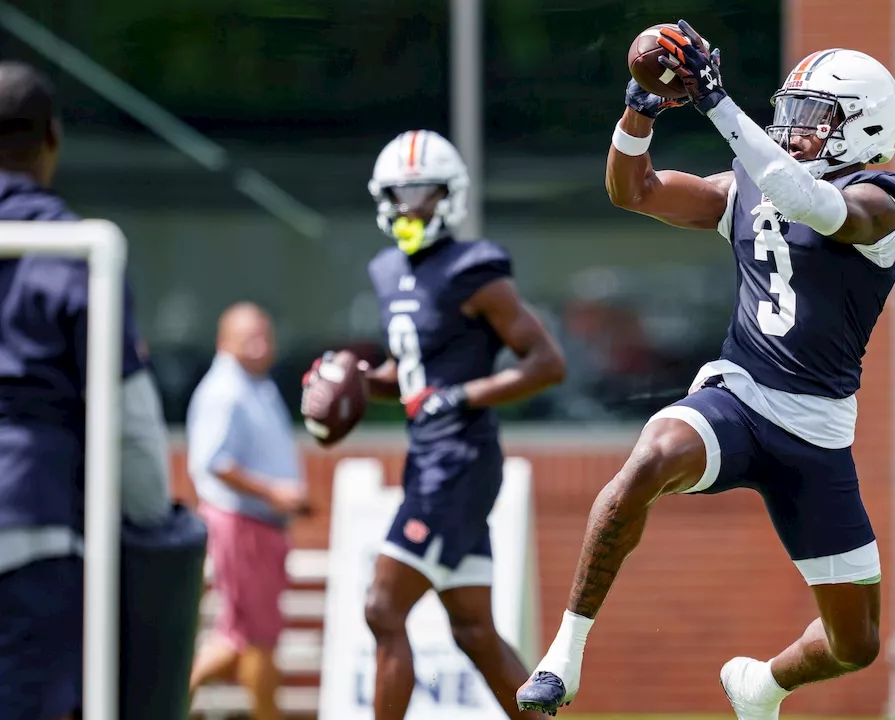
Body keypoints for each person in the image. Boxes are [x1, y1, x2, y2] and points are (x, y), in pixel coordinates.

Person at [517, 23, 895, 720]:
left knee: (856, 644)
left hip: (818, 435)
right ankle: (563, 653)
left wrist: (717, 104)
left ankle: (763, 686)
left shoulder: (884, 202)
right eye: (789, 115)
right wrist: (640, 106)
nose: (794, 131)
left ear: (863, 126)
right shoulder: (750, 186)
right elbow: (632, 189)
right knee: (650, 460)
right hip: (739, 396)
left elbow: (812, 205)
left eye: (814, 119)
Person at [303, 129, 566, 720]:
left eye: (422, 192)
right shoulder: (387, 270)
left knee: (381, 607)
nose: (408, 206)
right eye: (398, 194)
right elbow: (413, 370)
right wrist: (356, 380)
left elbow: (547, 362)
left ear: (449, 195)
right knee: (473, 631)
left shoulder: (474, 270)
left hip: (461, 463)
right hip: (431, 461)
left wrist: (463, 395)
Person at [0, 60, 172, 720]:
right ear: (52, 140)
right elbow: (128, 422)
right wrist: (154, 516)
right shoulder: (77, 255)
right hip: (31, 523)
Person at [187, 302, 309, 720]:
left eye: (265, 335)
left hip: (260, 526)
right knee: (255, 639)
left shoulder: (257, 383)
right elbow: (214, 461)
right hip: (241, 525)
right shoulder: (225, 389)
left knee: (240, 637)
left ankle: (162, 702)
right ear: (224, 341)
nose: (260, 345)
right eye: (248, 337)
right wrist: (273, 492)